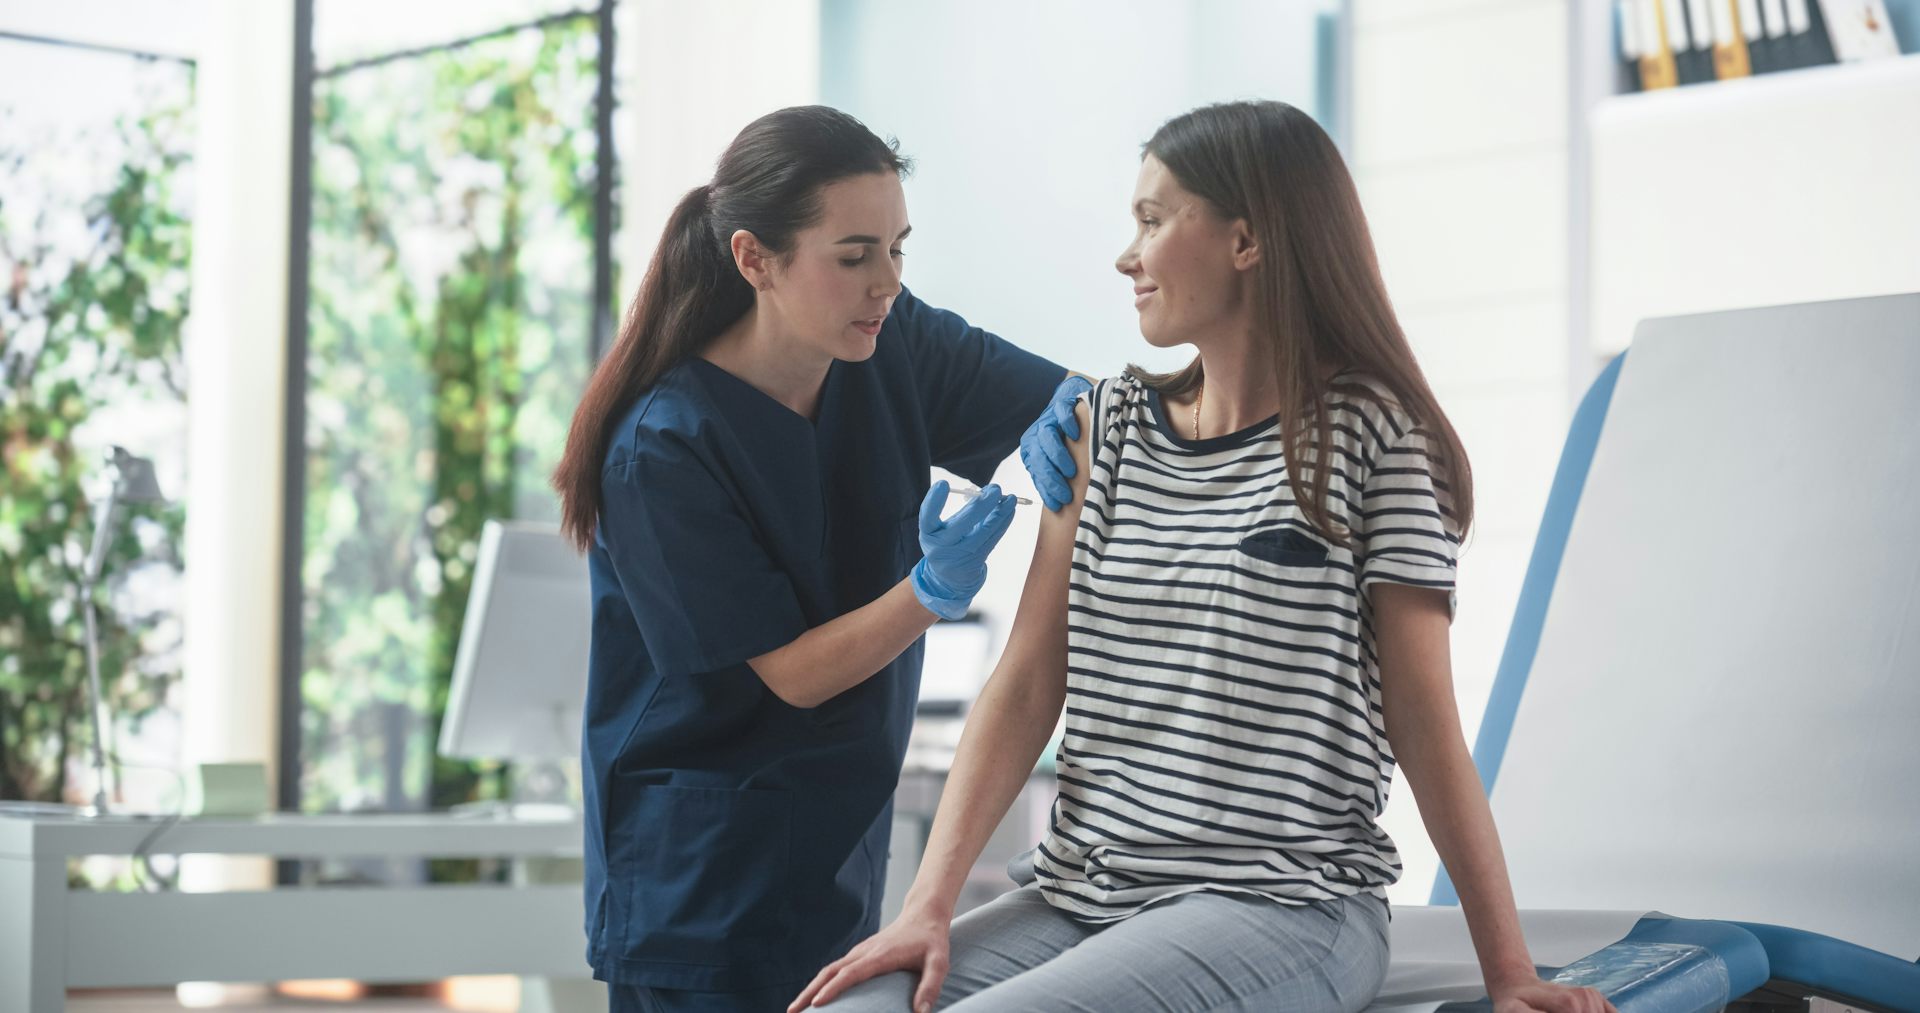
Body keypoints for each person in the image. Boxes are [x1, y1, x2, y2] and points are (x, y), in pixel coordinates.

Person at [790, 101, 1617, 1013]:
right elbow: (1028, 680)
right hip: (1085, 894)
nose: (1125, 254)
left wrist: (1510, 971)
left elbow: (1426, 724)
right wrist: (925, 908)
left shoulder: (1376, 440)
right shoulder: (1104, 428)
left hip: (1285, 905)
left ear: (1247, 240)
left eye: (1152, 220)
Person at [550, 105, 1089, 1013]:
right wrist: (929, 592)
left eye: (897, 249)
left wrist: (1079, 415)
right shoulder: (662, 447)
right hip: (698, 894)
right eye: (853, 257)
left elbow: (1078, 403)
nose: (885, 283)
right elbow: (793, 675)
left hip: (836, 858)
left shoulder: (891, 343)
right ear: (755, 259)